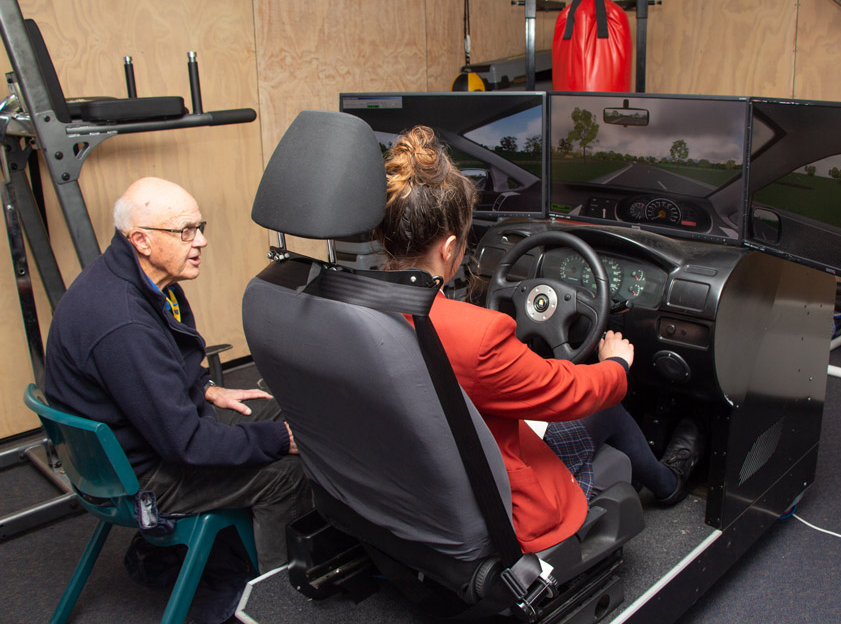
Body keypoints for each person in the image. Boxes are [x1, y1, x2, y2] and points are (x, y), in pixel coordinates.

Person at [373, 126, 704, 553]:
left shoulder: (355, 310)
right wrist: (616, 366)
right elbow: (568, 390)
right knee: (609, 405)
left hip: (420, 480)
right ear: (450, 248)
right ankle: (668, 483)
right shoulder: (476, 335)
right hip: (500, 502)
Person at [44, 177, 312, 576]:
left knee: (278, 411)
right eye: (186, 231)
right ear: (142, 240)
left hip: (135, 443)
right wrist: (280, 441)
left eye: (199, 228)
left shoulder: (146, 280)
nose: (200, 241)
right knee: (287, 471)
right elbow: (187, 443)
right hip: (140, 477)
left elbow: (167, 363)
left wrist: (205, 387)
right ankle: (280, 592)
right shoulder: (124, 323)